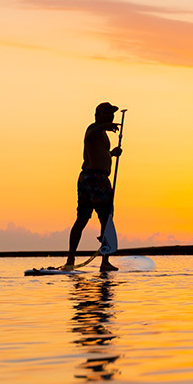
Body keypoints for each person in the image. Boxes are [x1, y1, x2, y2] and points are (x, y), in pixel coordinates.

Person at [65, 102, 123, 272]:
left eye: (112, 113)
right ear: (98, 115)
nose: (111, 116)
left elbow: (97, 152)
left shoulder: (103, 135)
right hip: (96, 179)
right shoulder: (94, 128)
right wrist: (104, 126)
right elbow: (90, 135)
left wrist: (111, 154)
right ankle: (104, 262)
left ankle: (71, 259)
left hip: (86, 178)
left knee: (83, 218)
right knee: (105, 219)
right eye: (107, 113)